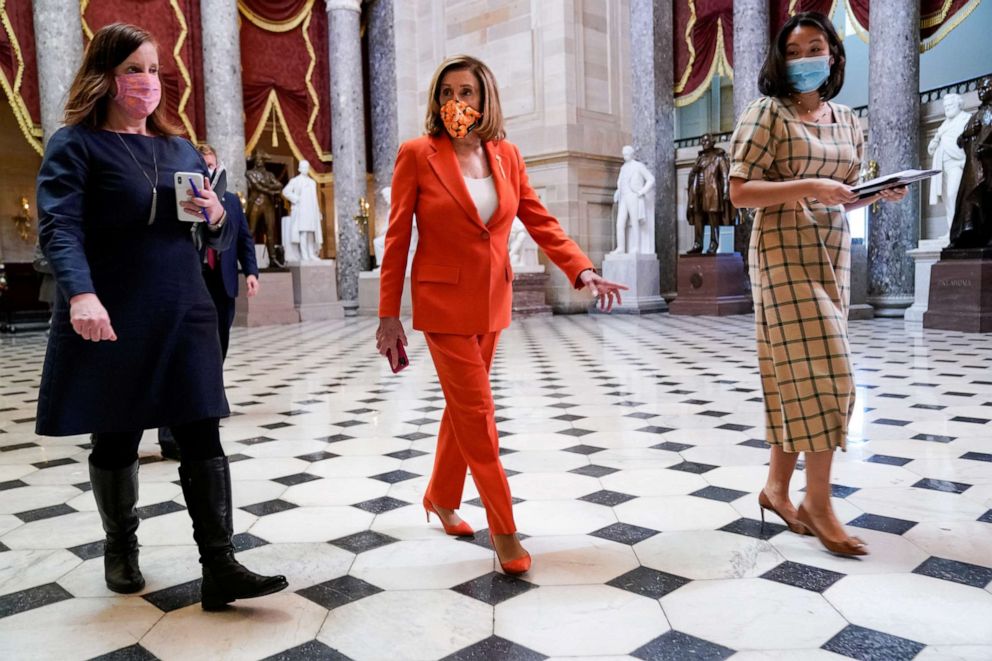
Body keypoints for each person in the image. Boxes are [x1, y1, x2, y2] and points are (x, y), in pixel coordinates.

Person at [35, 23, 286, 609]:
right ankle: (121, 548)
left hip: (184, 308)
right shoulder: (76, 144)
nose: (148, 83)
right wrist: (80, 294)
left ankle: (220, 565)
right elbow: (59, 228)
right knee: (117, 433)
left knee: (201, 429)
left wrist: (216, 217)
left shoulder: (177, 148)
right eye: (134, 71)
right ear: (105, 77)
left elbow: (215, 234)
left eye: (154, 71)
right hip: (115, 308)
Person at [376, 55, 626, 575]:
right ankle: (505, 530)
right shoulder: (417, 155)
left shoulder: (507, 155)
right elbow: (398, 238)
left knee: (462, 411)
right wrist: (388, 315)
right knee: (479, 415)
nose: (455, 103)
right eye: (446, 93)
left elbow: (539, 219)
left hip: (491, 303)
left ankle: (441, 498)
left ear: (484, 99)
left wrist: (582, 270)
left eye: (465, 92)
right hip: (441, 305)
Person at [729, 12, 906, 557]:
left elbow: (844, 193)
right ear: (780, 60)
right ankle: (819, 501)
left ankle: (776, 488)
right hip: (782, 256)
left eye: (815, 47)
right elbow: (740, 193)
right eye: (794, 50)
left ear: (834, 54)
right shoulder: (768, 113)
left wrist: (876, 194)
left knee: (795, 377)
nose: (804, 59)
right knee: (830, 374)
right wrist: (808, 185)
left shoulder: (848, 120)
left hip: (830, 256)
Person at [157, 144, 261, 462]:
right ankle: (174, 427)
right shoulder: (177, 196)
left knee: (219, 343)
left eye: (211, 164)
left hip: (222, 281)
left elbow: (241, 237)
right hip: (190, 279)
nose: (207, 169)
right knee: (183, 354)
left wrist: (251, 272)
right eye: (202, 164)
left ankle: (211, 393)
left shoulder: (229, 200)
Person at [686, 134, 737, 255]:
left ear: (712, 142)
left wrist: (726, 191)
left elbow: (725, 176)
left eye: (706, 140)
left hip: (712, 192)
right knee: (698, 218)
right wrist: (694, 170)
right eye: (702, 141)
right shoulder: (699, 159)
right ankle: (698, 244)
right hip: (698, 192)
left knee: (713, 219)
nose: (704, 143)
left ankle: (714, 243)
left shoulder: (718, 157)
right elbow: (691, 176)